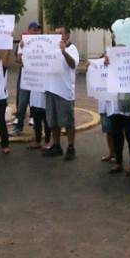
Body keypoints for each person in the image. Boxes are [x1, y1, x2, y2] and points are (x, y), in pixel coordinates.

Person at [42, 25, 79, 160]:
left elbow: (73, 64)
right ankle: (56, 145)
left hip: (64, 91)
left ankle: (70, 147)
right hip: (50, 89)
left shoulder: (72, 49)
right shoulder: (51, 49)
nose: (58, 35)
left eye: (60, 33)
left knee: (68, 121)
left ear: (67, 35)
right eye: (56, 33)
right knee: (53, 121)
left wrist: (64, 52)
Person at [9, 22, 42, 136]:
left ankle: (37, 130)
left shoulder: (41, 43)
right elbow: (19, 61)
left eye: (38, 30)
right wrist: (23, 51)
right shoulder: (22, 44)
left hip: (38, 79)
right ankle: (19, 127)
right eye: (34, 30)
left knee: (36, 103)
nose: (36, 32)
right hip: (26, 77)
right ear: (29, 30)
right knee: (22, 102)